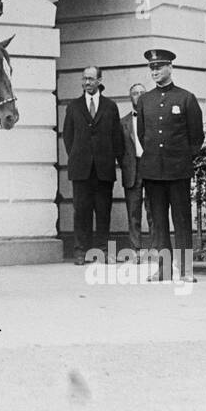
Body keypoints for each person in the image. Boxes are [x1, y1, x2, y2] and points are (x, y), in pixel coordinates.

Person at [137, 48, 205, 282]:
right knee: (159, 222)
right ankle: (163, 269)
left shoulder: (186, 98)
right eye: (152, 68)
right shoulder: (145, 100)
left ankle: (186, 270)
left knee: (182, 221)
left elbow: (197, 137)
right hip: (153, 171)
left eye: (159, 67)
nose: (154, 71)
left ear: (170, 68)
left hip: (178, 172)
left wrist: (182, 159)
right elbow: (142, 134)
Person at [62, 67, 125, 264]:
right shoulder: (73, 107)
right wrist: (78, 157)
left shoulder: (110, 106)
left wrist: (111, 160)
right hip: (81, 170)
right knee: (81, 212)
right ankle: (81, 251)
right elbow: (68, 137)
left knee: (103, 211)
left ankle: (103, 251)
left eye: (91, 79)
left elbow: (117, 138)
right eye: (84, 79)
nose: (87, 83)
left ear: (99, 80)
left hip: (103, 169)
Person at [120, 83, 147, 252]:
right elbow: (117, 147)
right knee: (133, 212)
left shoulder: (154, 119)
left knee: (154, 211)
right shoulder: (123, 122)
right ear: (131, 97)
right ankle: (135, 250)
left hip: (150, 167)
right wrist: (125, 163)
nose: (138, 96)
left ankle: (157, 249)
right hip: (132, 169)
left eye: (141, 93)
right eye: (135, 93)